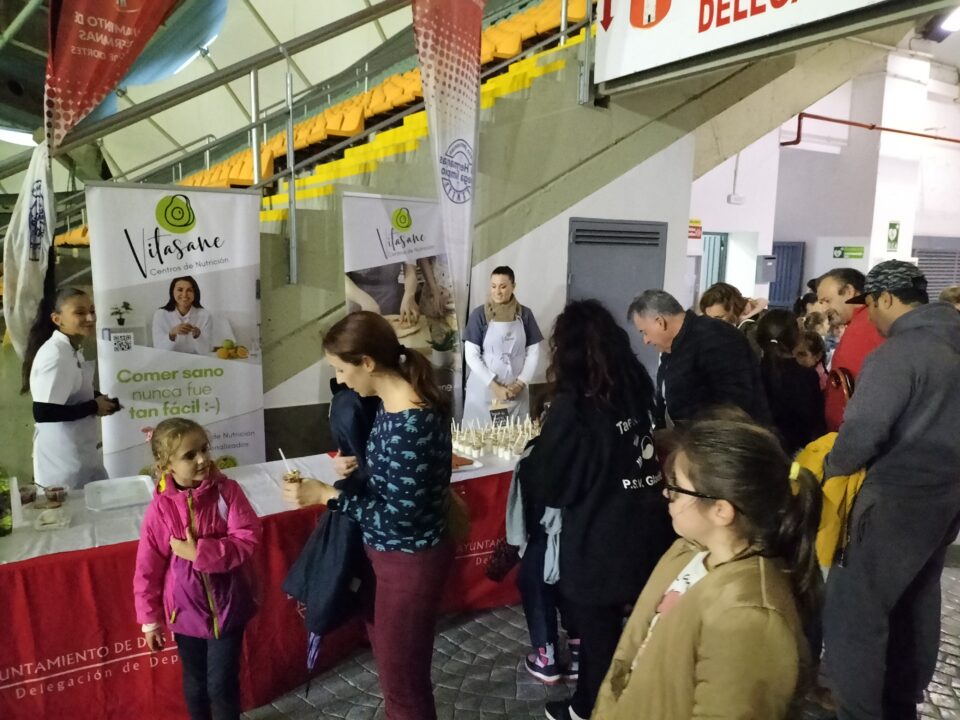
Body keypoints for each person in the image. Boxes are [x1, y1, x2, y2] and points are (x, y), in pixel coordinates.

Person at [283, 311, 452, 720]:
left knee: (404, 688)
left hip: (407, 564)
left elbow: (399, 518)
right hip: (386, 559)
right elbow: (398, 478)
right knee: (397, 676)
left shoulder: (412, 420)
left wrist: (326, 495)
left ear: (368, 363)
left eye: (342, 369)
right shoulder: (387, 407)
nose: (340, 381)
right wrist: (360, 466)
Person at [592, 419, 822, 719]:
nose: (666, 494)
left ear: (721, 510)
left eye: (676, 488)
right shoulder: (688, 551)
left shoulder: (749, 617)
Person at [520, 300, 675, 720]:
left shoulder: (576, 404)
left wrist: (533, 456)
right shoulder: (636, 384)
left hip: (599, 536)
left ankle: (599, 709)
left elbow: (552, 481)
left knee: (599, 630)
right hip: (649, 525)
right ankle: (586, 703)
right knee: (614, 630)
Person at [821, 261, 960, 720]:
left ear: (885, 299)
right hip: (946, 497)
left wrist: (828, 469)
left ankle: (860, 712)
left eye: (871, 307)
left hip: (894, 499)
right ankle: (902, 703)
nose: (870, 319)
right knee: (917, 600)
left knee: (856, 613)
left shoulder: (900, 353)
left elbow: (862, 433)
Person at [133, 418, 262, 720]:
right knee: (195, 684)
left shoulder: (227, 492)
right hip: (184, 612)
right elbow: (147, 568)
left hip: (229, 606)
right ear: (166, 466)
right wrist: (150, 620)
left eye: (204, 449)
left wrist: (199, 552)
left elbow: (248, 538)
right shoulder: (160, 509)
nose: (203, 459)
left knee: (221, 685)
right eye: (190, 455)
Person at [21, 287, 120, 489]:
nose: (90, 318)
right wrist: (93, 406)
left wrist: (100, 400)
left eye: (92, 310)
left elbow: (70, 392)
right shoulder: (55, 355)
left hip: (82, 454)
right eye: (80, 312)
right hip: (62, 465)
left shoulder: (72, 349)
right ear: (58, 319)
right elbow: (43, 412)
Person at [628, 289, 768, 428]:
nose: (645, 340)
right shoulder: (671, 348)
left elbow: (734, 405)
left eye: (644, 332)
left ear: (660, 322)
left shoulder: (716, 337)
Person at [462, 266, 543, 424]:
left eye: (503, 286)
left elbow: (533, 353)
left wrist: (520, 384)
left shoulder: (525, 315)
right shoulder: (479, 315)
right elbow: (471, 355)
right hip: (485, 391)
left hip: (515, 392)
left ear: (513, 286)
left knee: (514, 441)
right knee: (482, 443)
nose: (497, 292)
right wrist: (495, 386)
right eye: (493, 286)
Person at [816, 268, 884, 431]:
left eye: (827, 300)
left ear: (848, 291)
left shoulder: (869, 325)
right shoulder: (860, 324)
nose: (825, 309)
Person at [756, 309, 826, 455]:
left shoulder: (752, 373)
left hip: (758, 451)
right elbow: (815, 424)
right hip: (796, 455)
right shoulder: (807, 377)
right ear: (797, 337)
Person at [698, 282, 767, 355]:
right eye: (709, 318)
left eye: (719, 318)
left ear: (734, 310)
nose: (712, 324)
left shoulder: (751, 329)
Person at [152, 276, 214, 355]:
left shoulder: (205, 315)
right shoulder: (160, 315)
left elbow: (206, 351)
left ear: (195, 293)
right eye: (180, 290)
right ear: (172, 292)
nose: (184, 294)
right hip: (169, 361)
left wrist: (198, 336)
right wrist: (172, 334)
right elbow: (158, 349)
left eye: (189, 290)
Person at [344, 262, 420, 324]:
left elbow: (410, 268)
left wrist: (409, 294)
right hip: (358, 301)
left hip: (392, 299)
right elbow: (340, 276)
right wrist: (363, 299)